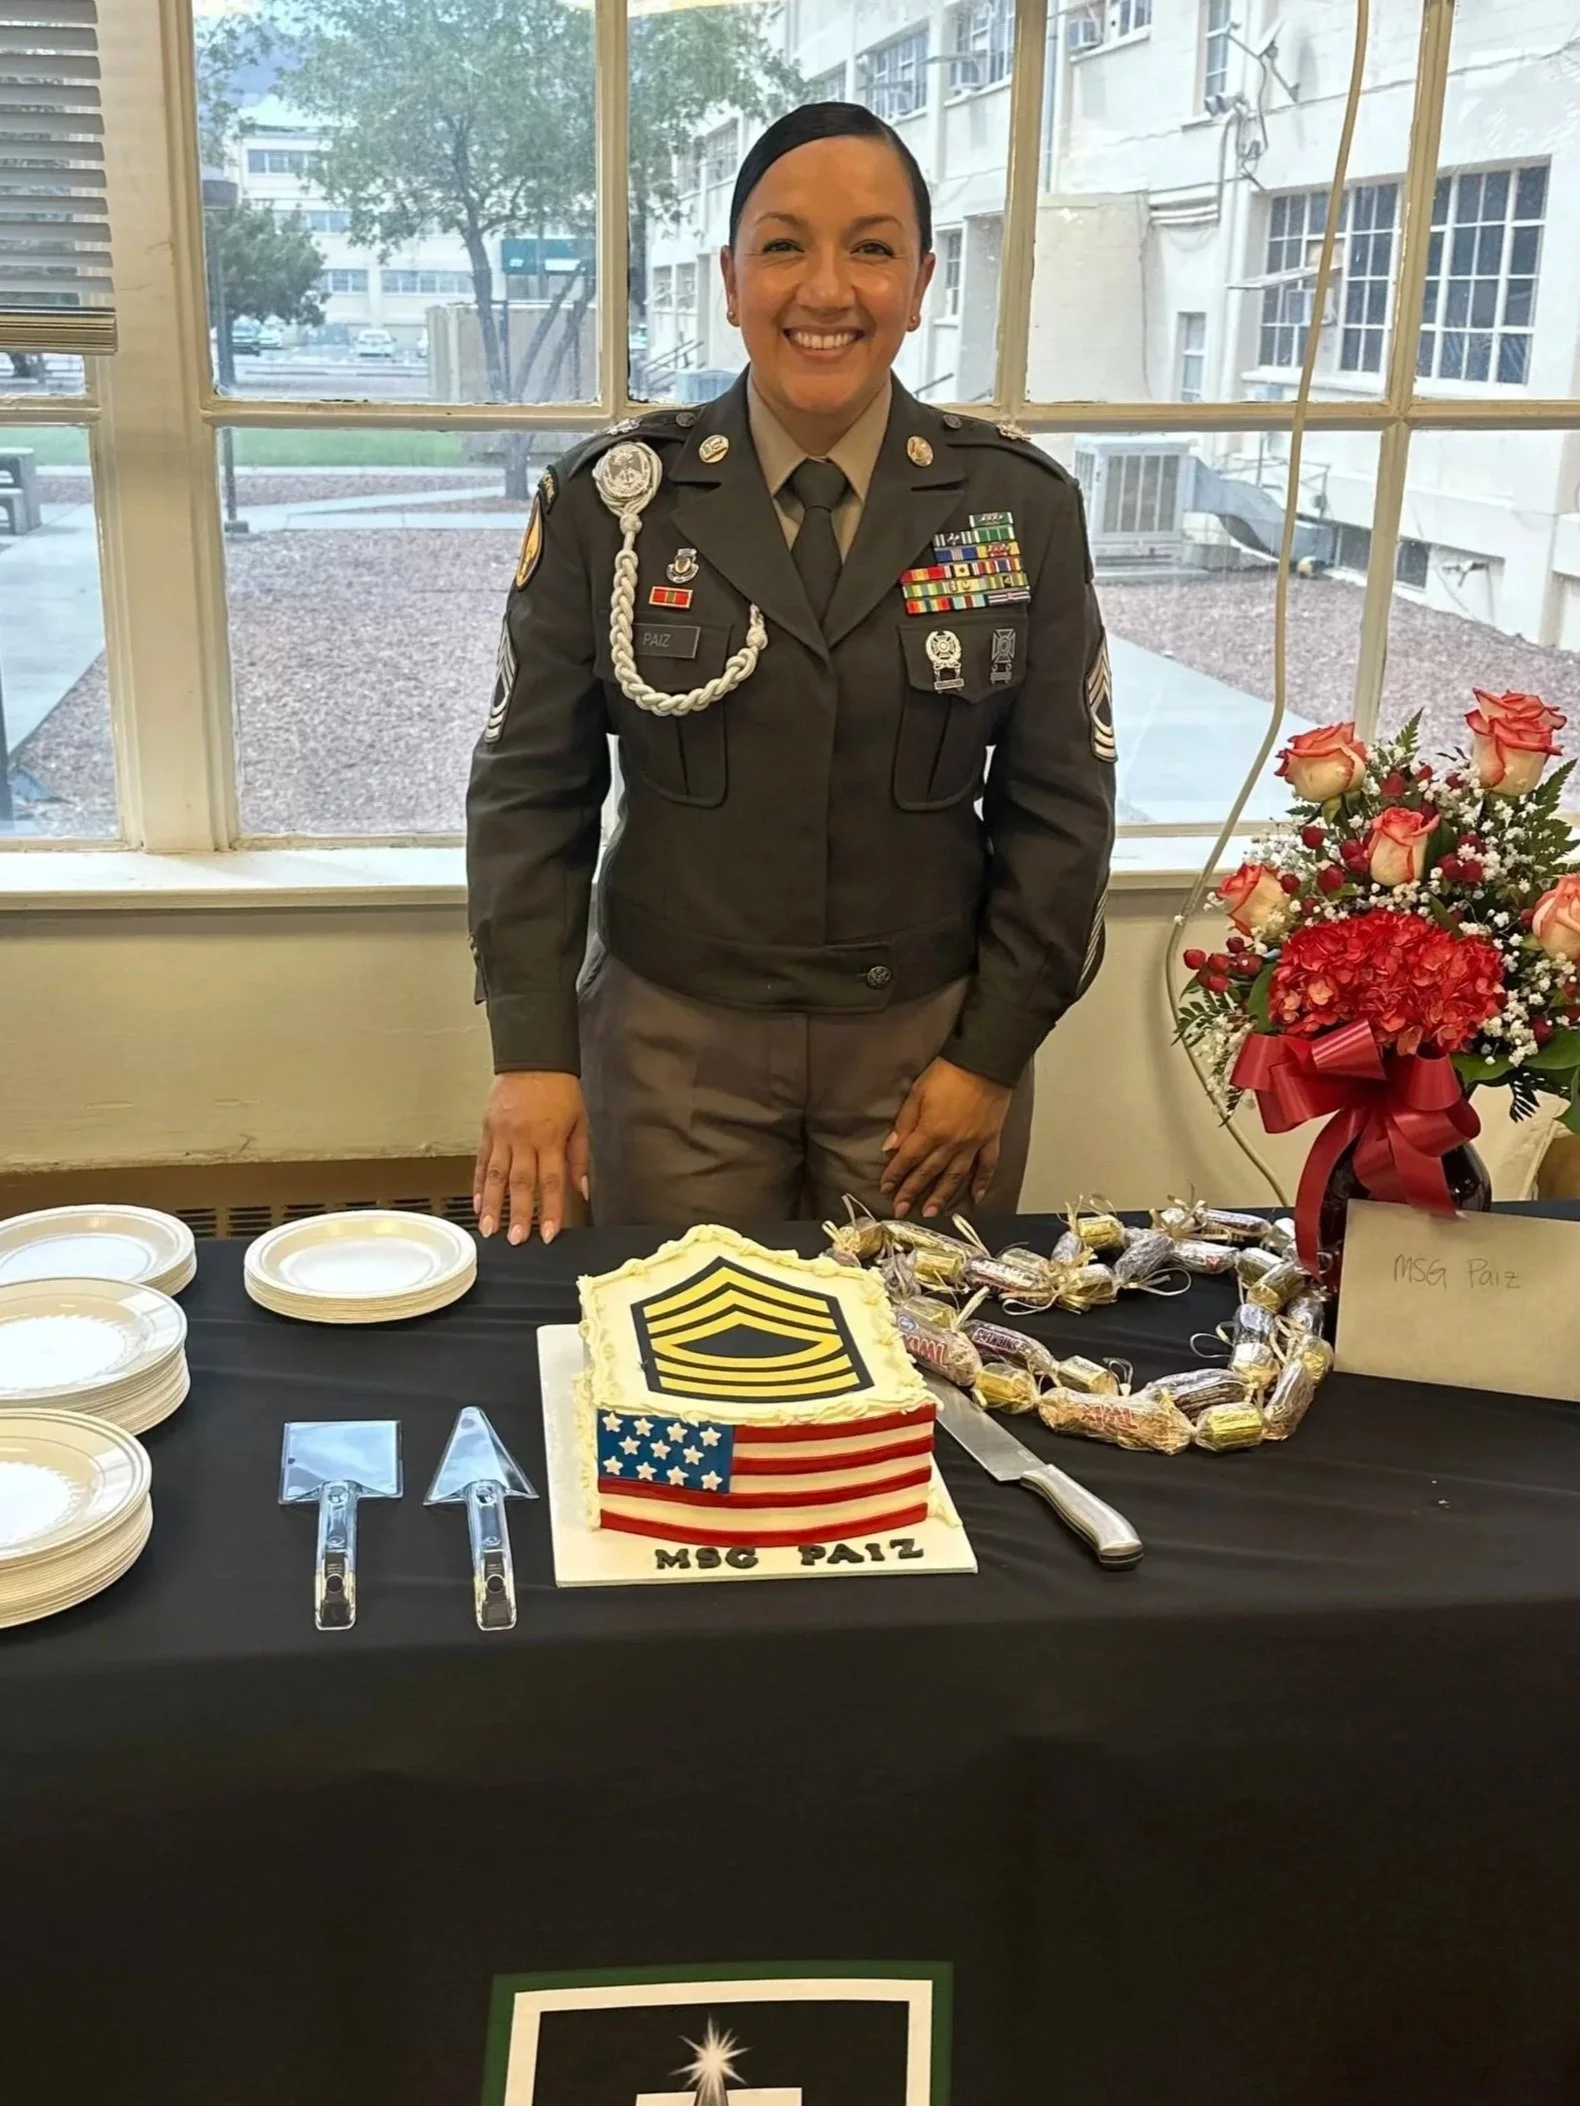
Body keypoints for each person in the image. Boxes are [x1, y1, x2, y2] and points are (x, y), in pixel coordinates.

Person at [467, 101, 1114, 1244]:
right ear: (728, 279)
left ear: (918, 283)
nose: (825, 291)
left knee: (920, 1379)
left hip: (926, 1057)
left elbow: (1058, 809)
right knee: (692, 1376)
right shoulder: (613, 502)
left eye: (869, 248)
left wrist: (992, 1054)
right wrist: (531, 1052)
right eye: (782, 246)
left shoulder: (1018, 506)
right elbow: (529, 791)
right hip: (673, 1056)